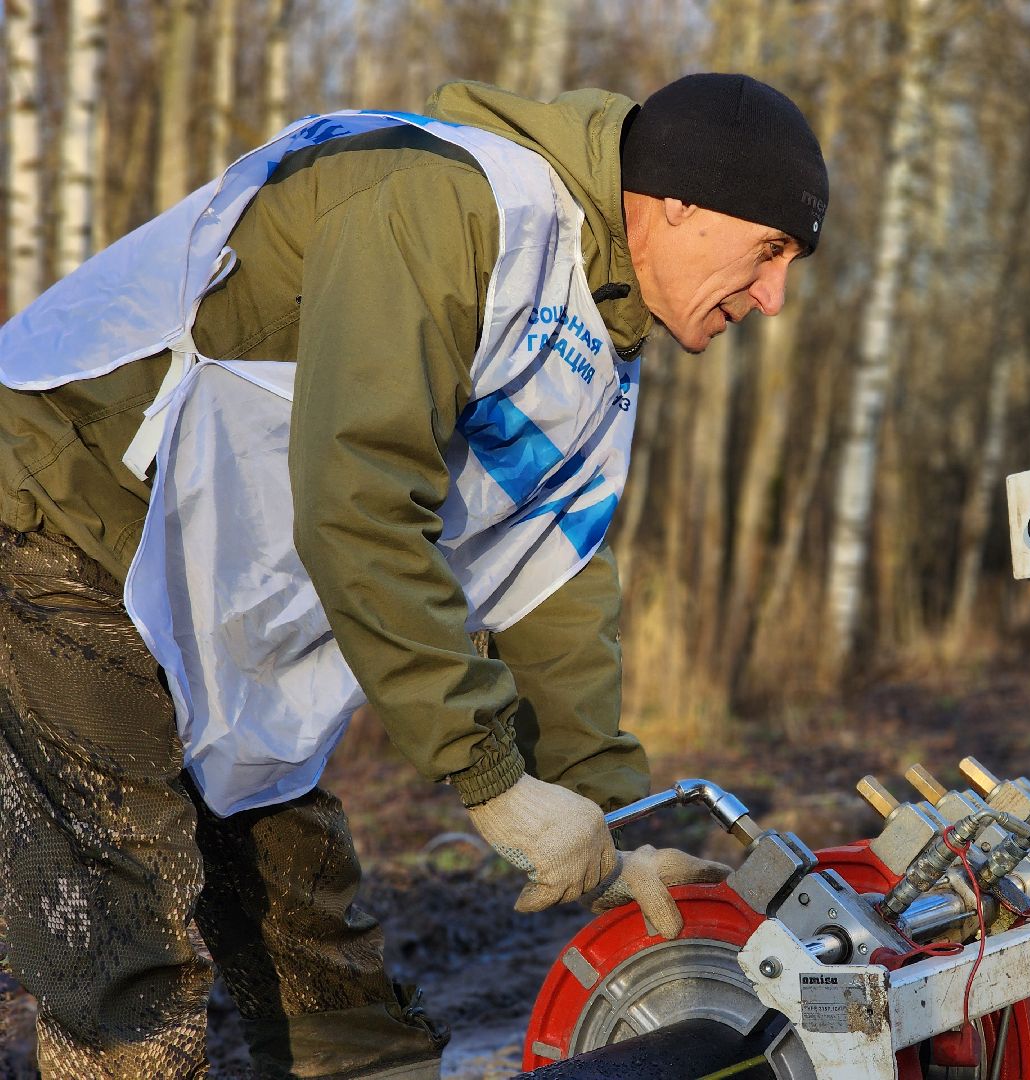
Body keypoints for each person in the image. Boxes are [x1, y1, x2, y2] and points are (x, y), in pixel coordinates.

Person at [0, 71, 828, 1079]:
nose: (775, 297)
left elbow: (553, 576)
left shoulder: (602, 339)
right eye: (771, 249)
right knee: (130, 928)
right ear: (680, 201)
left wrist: (613, 824)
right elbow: (362, 501)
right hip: (57, 511)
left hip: (203, 579)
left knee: (318, 944)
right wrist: (489, 777)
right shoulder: (448, 203)